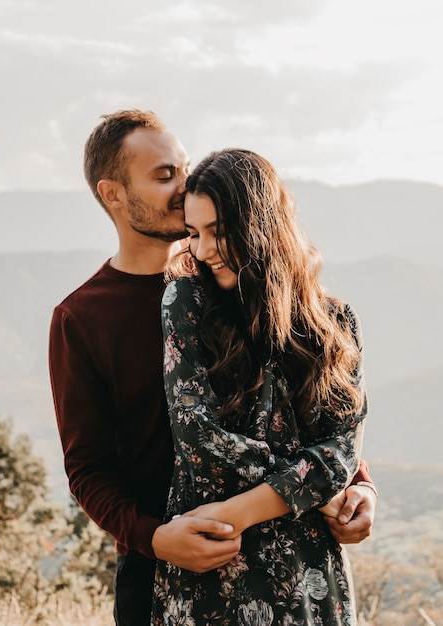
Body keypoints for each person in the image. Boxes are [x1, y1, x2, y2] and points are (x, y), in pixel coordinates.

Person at [48, 110, 377, 626]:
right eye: (163, 176)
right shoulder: (82, 318)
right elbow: (87, 469)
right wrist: (156, 538)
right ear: (112, 194)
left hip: (288, 559)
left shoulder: (232, 282)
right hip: (163, 568)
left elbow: (301, 400)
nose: (183, 186)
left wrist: (355, 484)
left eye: (182, 167)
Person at [152, 148, 369, 625]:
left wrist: (244, 507)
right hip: (215, 566)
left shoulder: (333, 322)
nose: (203, 250)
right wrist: (310, 488)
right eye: (193, 233)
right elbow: (200, 441)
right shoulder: (186, 301)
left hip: (312, 578)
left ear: (262, 226)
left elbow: (343, 450)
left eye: (219, 232)